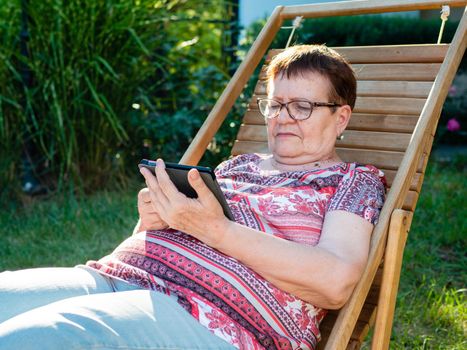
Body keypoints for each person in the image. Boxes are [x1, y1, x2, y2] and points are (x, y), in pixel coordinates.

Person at [0, 44, 386, 350]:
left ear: (341, 118)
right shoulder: (238, 166)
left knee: (33, 338)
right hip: (119, 277)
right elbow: (162, 236)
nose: (282, 117)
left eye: (302, 106)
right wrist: (153, 220)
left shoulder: (352, 182)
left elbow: (335, 281)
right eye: (275, 104)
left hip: (212, 318)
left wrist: (216, 231)